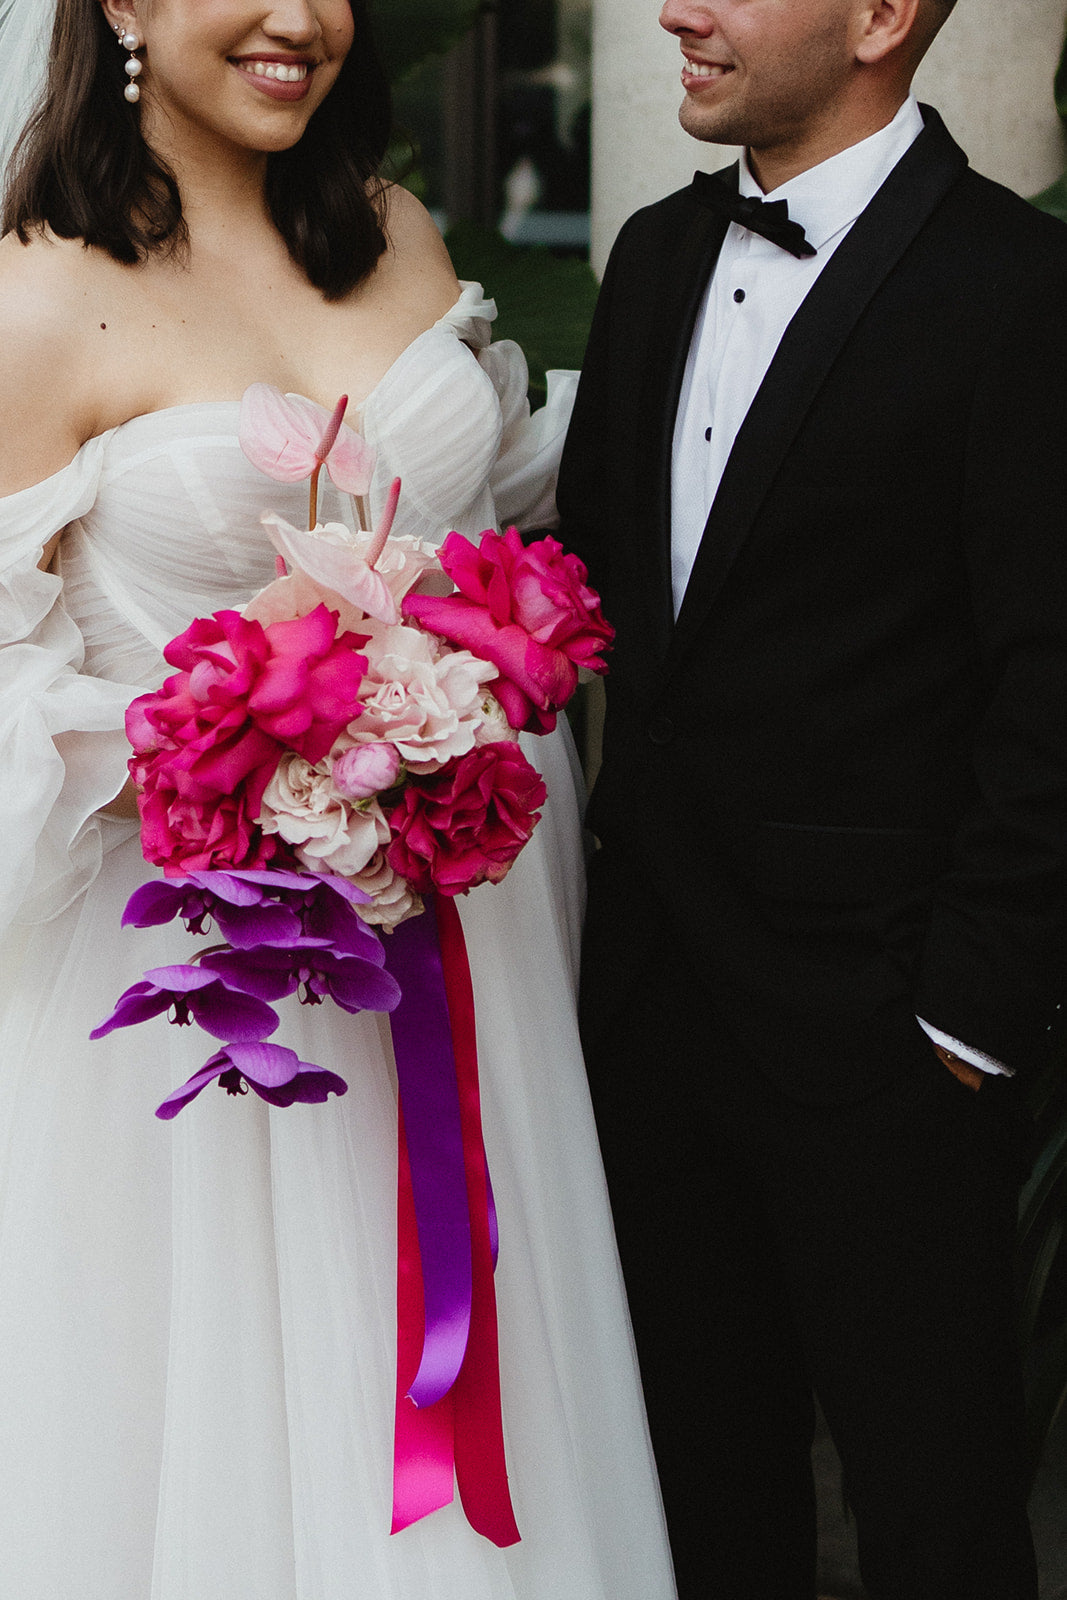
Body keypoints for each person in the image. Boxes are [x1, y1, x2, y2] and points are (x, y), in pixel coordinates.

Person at [0, 1, 680, 1596]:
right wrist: (217, 739)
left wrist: (466, 662)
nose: (299, 19)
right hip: (196, 1001)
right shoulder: (35, 299)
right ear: (125, 6)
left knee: (488, 1384)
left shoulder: (396, 227)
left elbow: (500, 502)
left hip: (466, 955)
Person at [559, 1, 1067, 1597]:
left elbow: (1052, 690)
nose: (676, 12)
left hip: (890, 1056)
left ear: (878, 17)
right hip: (648, 1024)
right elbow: (581, 613)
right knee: (705, 1512)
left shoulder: (1022, 293)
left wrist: (965, 1029)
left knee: (936, 1521)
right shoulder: (647, 257)